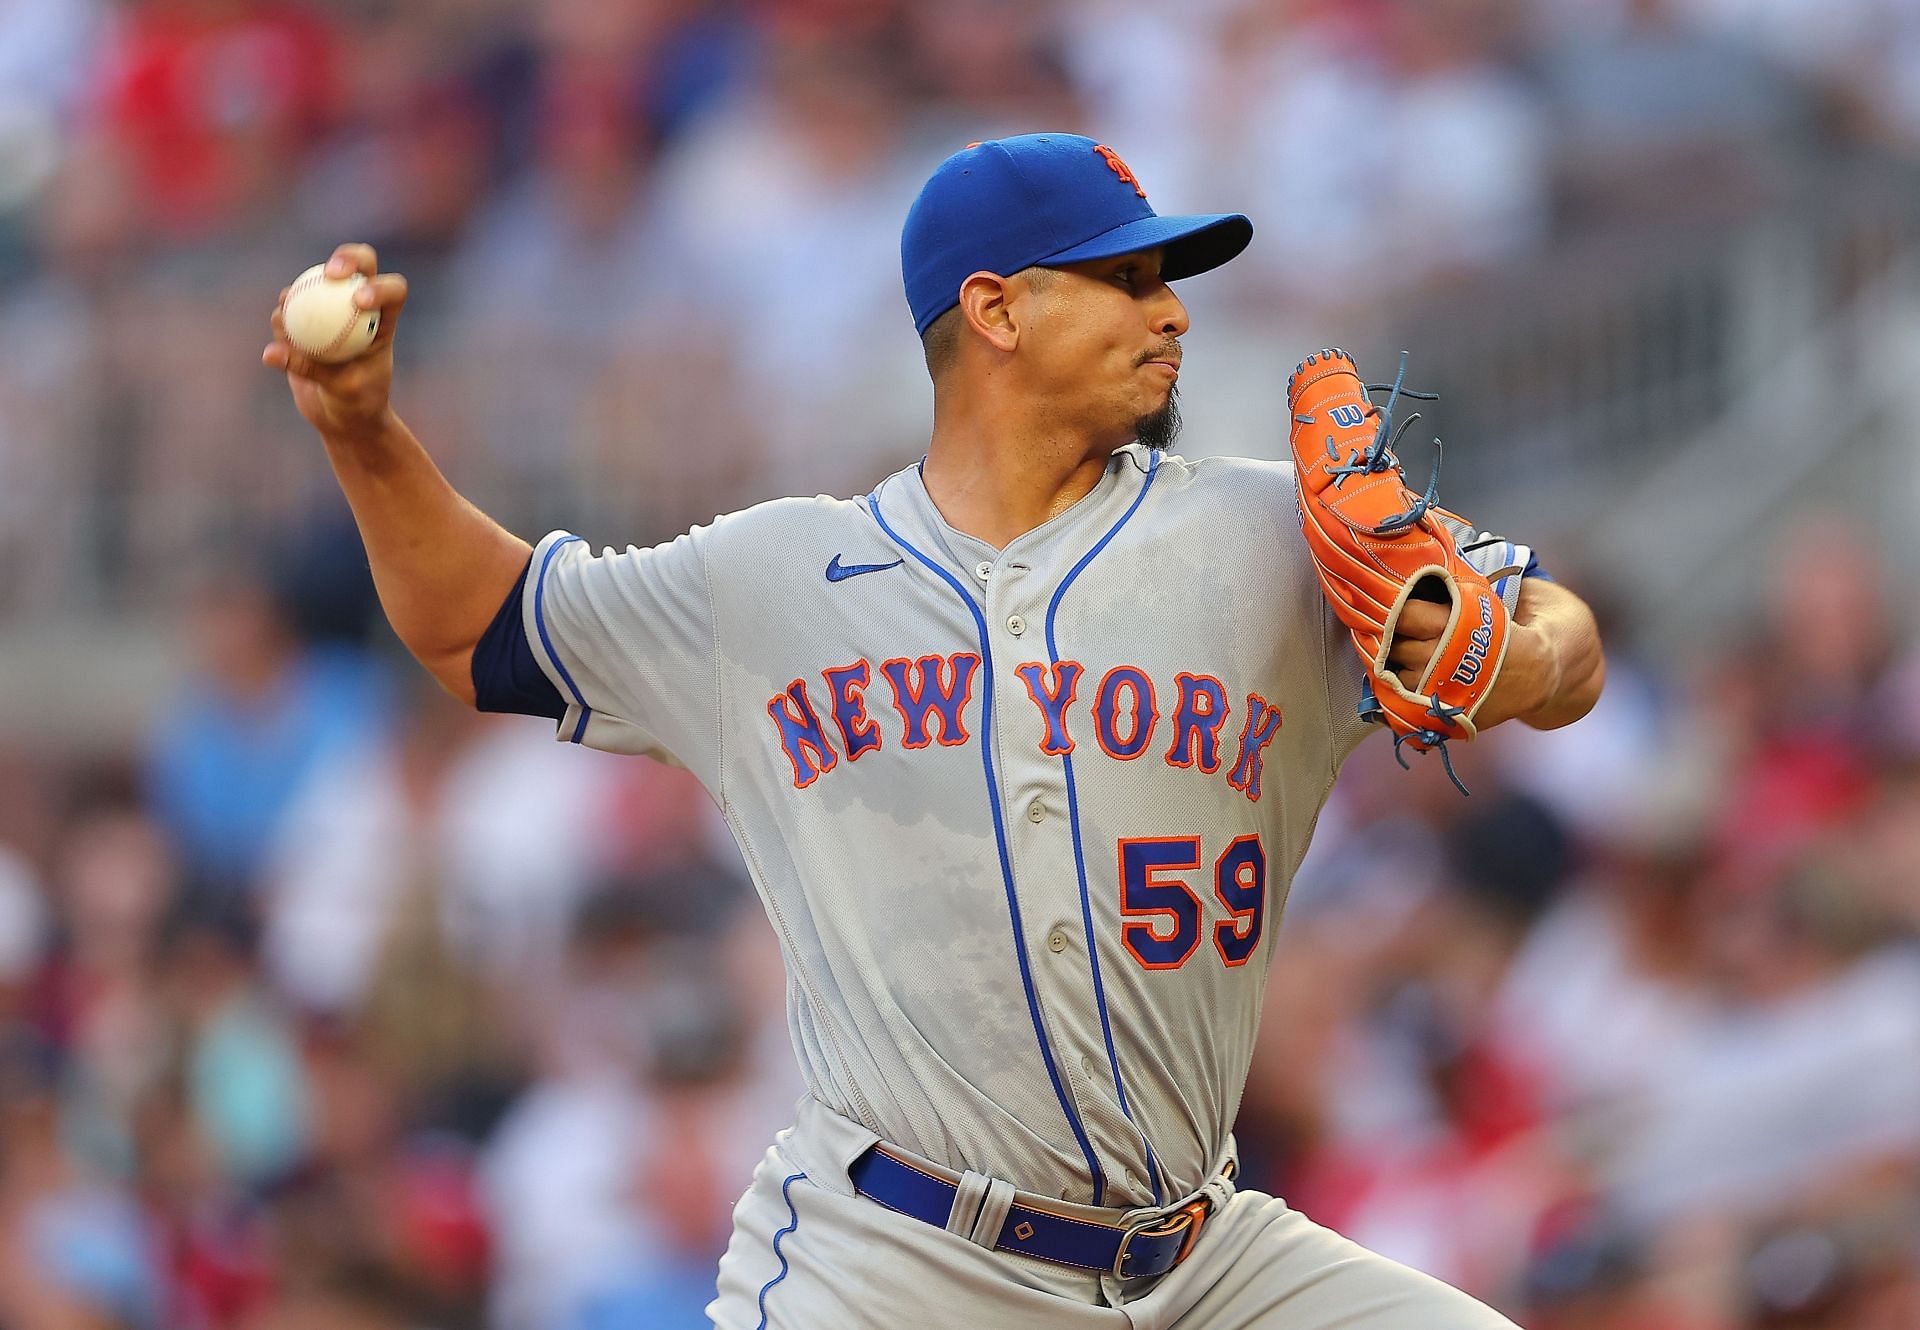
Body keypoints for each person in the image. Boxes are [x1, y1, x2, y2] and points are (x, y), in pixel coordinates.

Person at [263, 132, 1603, 1329]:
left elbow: (1562, 632)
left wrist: (1523, 652)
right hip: (898, 1264)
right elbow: (479, 627)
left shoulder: (1266, 533)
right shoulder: (780, 579)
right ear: (997, 307)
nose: (1174, 314)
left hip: (1204, 1259)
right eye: (1127, 280)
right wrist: (369, 437)